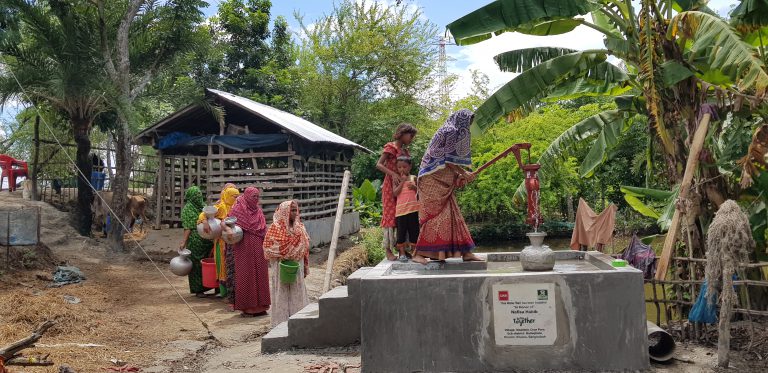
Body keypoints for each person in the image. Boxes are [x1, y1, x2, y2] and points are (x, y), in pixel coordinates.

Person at [414, 109, 482, 263]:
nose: (468, 127)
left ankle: (465, 253)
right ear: (462, 121)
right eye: (468, 123)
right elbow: (447, 159)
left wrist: (458, 175)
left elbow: (448, 160)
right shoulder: (450, 130)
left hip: (442, 177)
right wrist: (464, 173)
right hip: (431, 178)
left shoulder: (449, 129)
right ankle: (418, 253)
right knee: (433, 216)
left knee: (453, 215)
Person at [264, 200, 310, 327]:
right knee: (281, 292)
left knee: (297, 291)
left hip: (296, 265)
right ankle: (281, 324)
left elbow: (305, 247)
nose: (294, 213)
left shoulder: (300, 228)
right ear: (284, 211)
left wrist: (305, 265)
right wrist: (284, 254)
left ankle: (299, 322)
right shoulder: (275, 228)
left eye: (296, 210)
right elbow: (268, 248)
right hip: (280, 266)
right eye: (291, 210)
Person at [376, 123, 417, 261]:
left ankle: (403, 250)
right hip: (390, 186)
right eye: (410, 136)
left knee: (403, 216)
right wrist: (393, 174)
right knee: (390, 216)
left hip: (404, 187)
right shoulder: (391, 148)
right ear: (403, 133)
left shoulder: (405, 152)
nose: (411, 139)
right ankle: (388, 250)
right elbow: (379, 164)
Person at [227, 187, 271, 317]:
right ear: (247, 196)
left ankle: (262, 306)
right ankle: (248, 308)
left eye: (258, 196)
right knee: (247, 275)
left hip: (259, 247)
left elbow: (263, 229)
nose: (256, 199)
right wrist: (229, 230)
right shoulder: (237, 209)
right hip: (243, 248)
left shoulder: (258, 211)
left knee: (261, 275)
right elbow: (226, 222)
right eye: (254, 196)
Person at [198, 185, 240, 298]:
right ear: (226, 195)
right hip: (222, 243)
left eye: (237, 196)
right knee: (223, 266)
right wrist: (204, 221)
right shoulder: (220, 206)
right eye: (233, 196)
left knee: (235, 267)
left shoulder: (239, 206)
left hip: (237, 241)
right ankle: (224, 293)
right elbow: (204, 213)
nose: (235, 199)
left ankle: (235, 293)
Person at [179, 186, 212, 297]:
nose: (198, 197)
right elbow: (188, 227)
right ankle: (198, 290)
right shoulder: (189, 209)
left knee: (208, 264)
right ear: (191, 197)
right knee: (197, 265)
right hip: (195, 241)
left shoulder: (203, 207)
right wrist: (184, 241)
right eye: (196, 195)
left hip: (207, 241)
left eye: (199, 195)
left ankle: (211, 285)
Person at [392, 156, 419, 262]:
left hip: (413, 210)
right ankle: (402, 253)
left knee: (414, 231)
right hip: (401, 211)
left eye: (404, 167)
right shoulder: (396, 179)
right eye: (399, 167)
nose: (402, 169)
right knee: (401, 233)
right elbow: (395, 193)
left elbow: (421, 191)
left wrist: (415, 188)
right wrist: (402, 182)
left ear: (410, 167)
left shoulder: (414, 178)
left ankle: (414, 252)